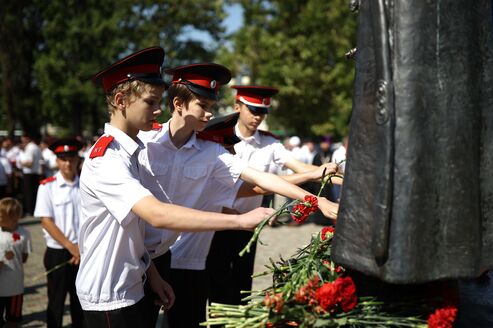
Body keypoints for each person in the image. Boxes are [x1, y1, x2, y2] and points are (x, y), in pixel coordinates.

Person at [76, 46, 273, 328]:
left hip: (132, 283)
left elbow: (133, 232)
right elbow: (156, 215)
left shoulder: (131, 152)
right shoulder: (107, 158)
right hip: (110, 294)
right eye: (150, 102)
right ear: (120, 100)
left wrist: (153, 275)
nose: (158, 110)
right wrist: (239, 220)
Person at [137, 63, 338, 327]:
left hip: (183, 258)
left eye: (211, 106)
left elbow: (261, 180)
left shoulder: (210, 152)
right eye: (203, 106)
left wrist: (316, 200)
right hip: (138, 258)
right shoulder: (144, 142)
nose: (209, 114)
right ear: (178, 104)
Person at [207, 85, 341, 307]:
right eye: (253, 110)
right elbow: (258, 187)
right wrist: (315, 176)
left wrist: (341, 178)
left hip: (249, 224)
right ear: (237, 106)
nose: (258, 117)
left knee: (242, 289)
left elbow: (303, 168)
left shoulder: (269, 143)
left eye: (263, 112)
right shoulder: (219, 138)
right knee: (217, 292)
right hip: (217, 224)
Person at [34, 138, 84, 328]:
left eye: (71, 158)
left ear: (77, 160)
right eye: (63, 159)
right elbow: (46, 221)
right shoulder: (48, 186)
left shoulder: (87, 185)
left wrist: (80, 248)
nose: (67, 163)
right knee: (56, 301)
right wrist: (71, 247)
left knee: (81, 302)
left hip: (83, 251)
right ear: (57, 161)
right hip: (60, 252)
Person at [0, 197, 31, 328]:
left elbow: (24, 256)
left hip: (15, 286)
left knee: (13, 319)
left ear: (13, 217)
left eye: (1, 216)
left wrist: (12, 257)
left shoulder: (24, 234)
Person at [17, 133, 42, 215]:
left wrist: (20, 163)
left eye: (23, 139)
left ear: (27, 138)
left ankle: (30, 211)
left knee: (29, 193)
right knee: (34, 193)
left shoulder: (30, 148)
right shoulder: (35, 147)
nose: (22, 141)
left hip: (29, 174)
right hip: (35, 173)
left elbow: (29, 163)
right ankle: (33, 210)